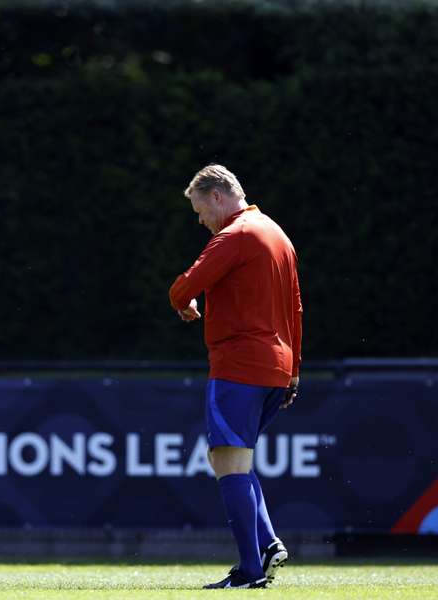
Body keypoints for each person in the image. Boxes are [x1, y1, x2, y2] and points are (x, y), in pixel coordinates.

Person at [168, 164, 302, 589]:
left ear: (218, 197)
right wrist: (294, 369)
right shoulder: (277, 234)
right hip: (277, 367)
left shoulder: (235, 234)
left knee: (228, 460)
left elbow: (185, 285)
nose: (201, 220)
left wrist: (183, 300)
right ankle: (265, 544)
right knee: (235, 459)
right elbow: (296, 309)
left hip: (239, 363)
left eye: (199, 210)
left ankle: (250, 570)